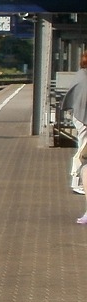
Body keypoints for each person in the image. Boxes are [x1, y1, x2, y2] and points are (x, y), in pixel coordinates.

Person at [59, 52, 87, 221]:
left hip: (80, 117)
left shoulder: (81, 75)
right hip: (83, 119)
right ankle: (77, 182)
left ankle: (77, 181)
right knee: (83, 151)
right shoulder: (84, 79)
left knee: (82, 150)